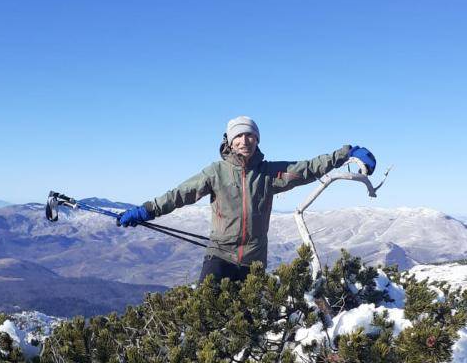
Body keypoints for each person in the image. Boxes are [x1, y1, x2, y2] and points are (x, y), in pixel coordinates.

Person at [118, 116, 376, 283]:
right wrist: (146, 211)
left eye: (250, 135)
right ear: (230, 142)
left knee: (249, 330)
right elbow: (178, 195)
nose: (244, 140)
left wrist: (347, 153)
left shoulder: (269, 173)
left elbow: (309, 168)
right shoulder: (215, 173)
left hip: (254, 260)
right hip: (219, 256)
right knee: (207, 320)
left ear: (257, 139)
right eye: (239, 136)